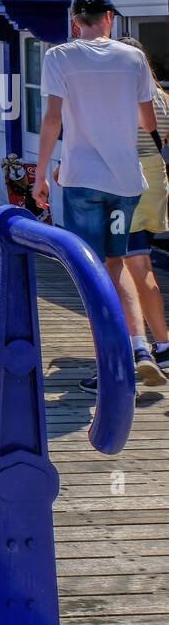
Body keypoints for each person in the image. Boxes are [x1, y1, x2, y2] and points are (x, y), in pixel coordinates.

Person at [31, 0, 161, 386]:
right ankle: (140, 347)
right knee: (116, 263)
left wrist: (39, 175)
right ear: (108, 18)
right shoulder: (134, 58)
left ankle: (109, 367)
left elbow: (53, 120)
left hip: (82, 181)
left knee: (90, 273)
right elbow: (150, 123)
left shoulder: (59, 58)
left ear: (76, 22)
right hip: (125, 184)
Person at [120, 37, 169, 375]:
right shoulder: (163, 98)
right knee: (141, 263)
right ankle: (161, 346)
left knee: (133, 268)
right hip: (156, 182)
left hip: (128, 182)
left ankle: (142, 349)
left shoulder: (125, 97)